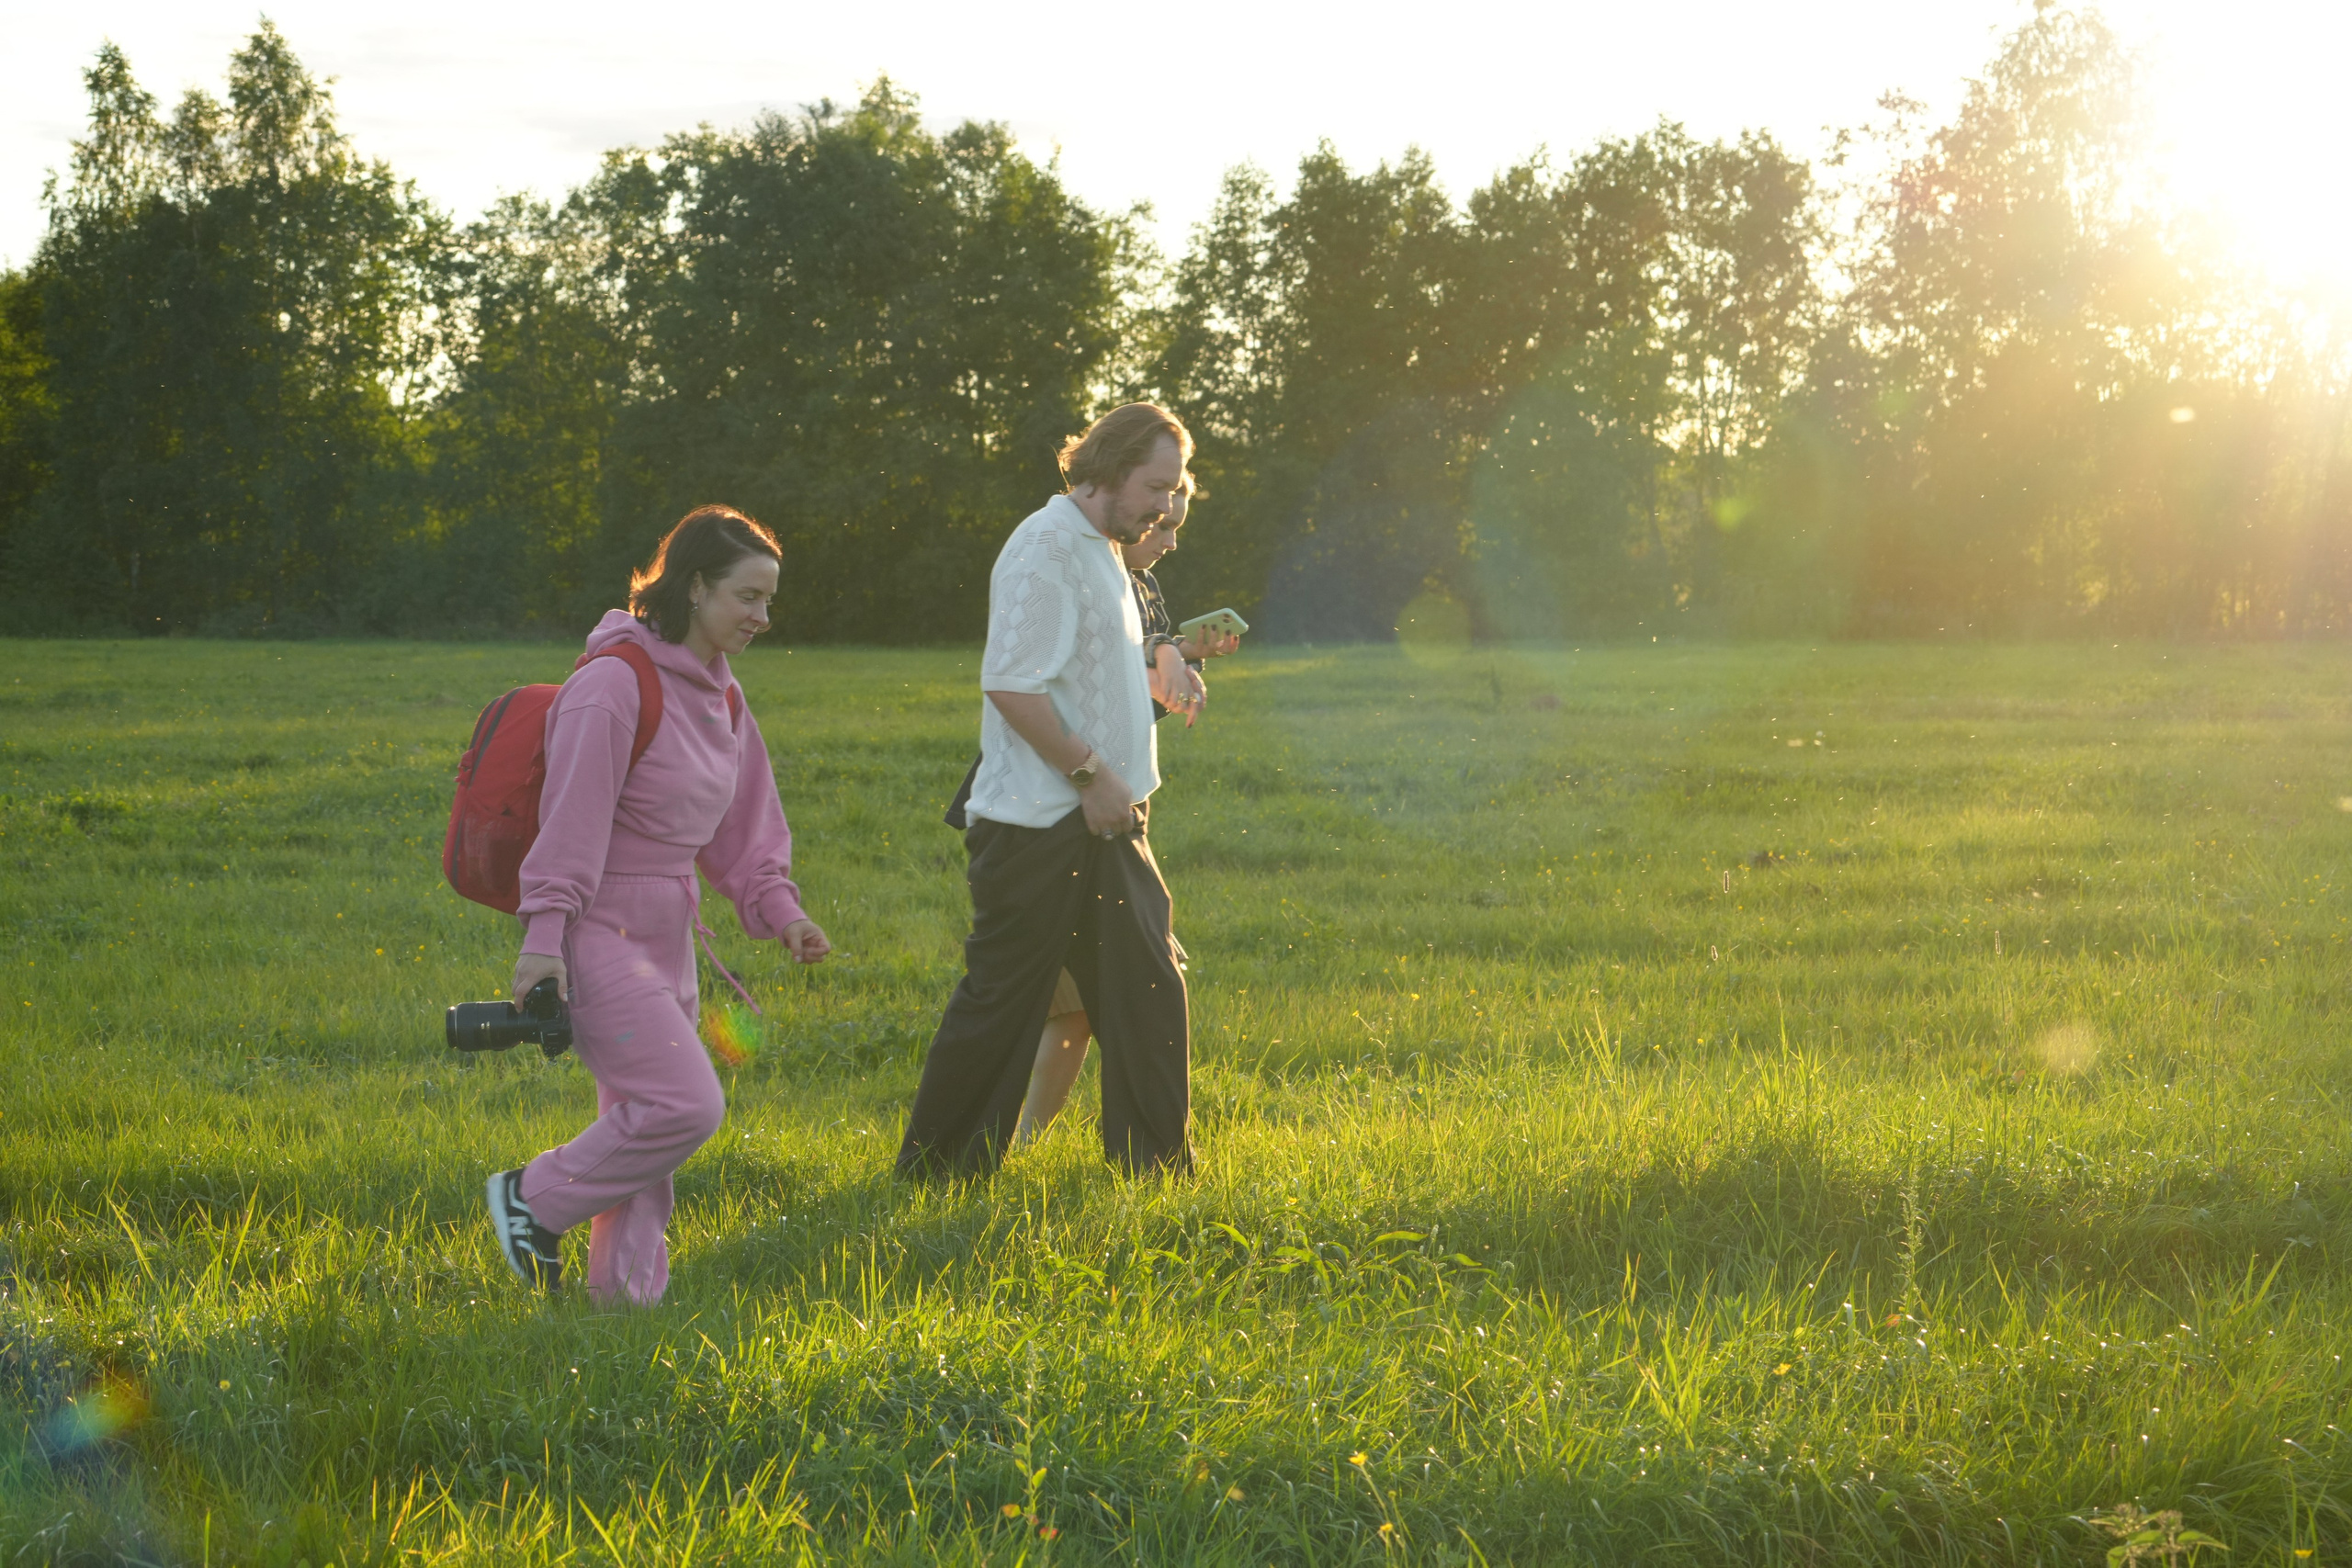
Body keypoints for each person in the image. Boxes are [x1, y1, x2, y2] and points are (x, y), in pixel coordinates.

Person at [485, 506, 831, 1301]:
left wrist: (784, 912)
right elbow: (568, 824)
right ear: (697, 585)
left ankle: (624, 1303)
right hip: (597, 925)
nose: (763, 618)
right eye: (748, 597)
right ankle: (530, 1199)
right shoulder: (611, 685)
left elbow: (745, 825)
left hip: (668, 927)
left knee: (646, 1122)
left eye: (769, 601)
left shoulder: (723, 698)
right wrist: (542, 942)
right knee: (683, 1103)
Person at [895, 403, 1197, 1179]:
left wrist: (1164, 675)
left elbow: (1088, 678)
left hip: (1103, 815)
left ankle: (1156, 1172)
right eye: (1156, 486)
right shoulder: (1046, 548)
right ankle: (935, 1176)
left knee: (1148, 991)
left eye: (1171, 490)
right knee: (1004, 1003)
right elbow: (1012, 686)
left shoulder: (1104, 547)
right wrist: (1093, 777)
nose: (1166, 505)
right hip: (1041, 823)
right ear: (1111, 465)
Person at [1012, 476, 1238, 1144]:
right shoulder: (1074, 567)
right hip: (1054, 812)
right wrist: (1163, 654)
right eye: (1161, 524)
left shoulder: (1145, 595)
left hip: (1111, 814)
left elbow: (1119, 702)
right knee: (1053, 996)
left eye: (1175, 528)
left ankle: (1020, 1140)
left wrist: (1178, 661)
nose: (1168, 539)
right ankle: (986, 1140)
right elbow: (1078, 666)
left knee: (1077, 1006)